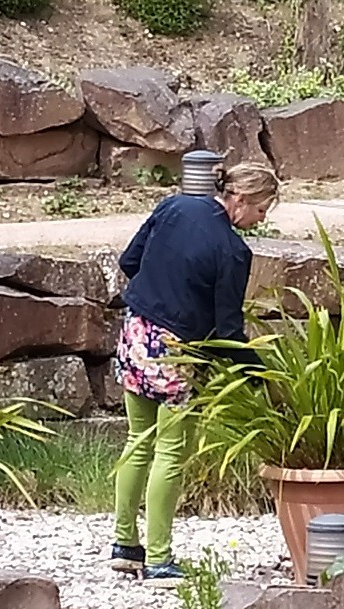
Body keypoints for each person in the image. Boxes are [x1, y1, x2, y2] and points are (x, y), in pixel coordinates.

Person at [108, 161, 280, 582]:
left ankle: (124, 543)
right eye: (261, 210)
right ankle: (159, 557)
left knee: (137, 439)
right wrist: (264, 379)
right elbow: (228, 331)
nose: (260, 220)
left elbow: (131, 261)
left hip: (136, 330)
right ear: (239, 199)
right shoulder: (233, 252)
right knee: (169, 452)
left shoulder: (175, 206)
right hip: (177, 353)